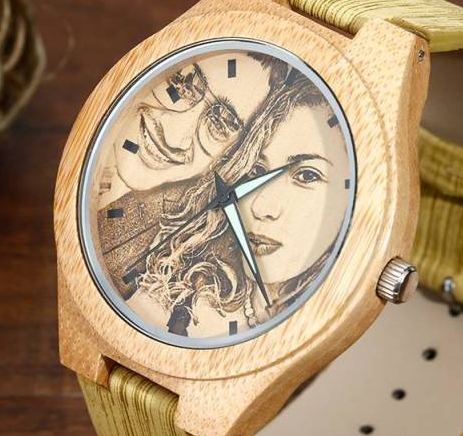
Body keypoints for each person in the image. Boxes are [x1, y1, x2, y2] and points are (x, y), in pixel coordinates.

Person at [129, 66, 350, 338]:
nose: (260, 206)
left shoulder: (329, 320)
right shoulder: (188, 291)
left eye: (306, 175)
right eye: (256, 171)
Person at [95, 52, 279, 298]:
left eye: (221, 124)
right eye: (183, 85)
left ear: (231, 158)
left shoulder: (172, 230)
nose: (173, 138)